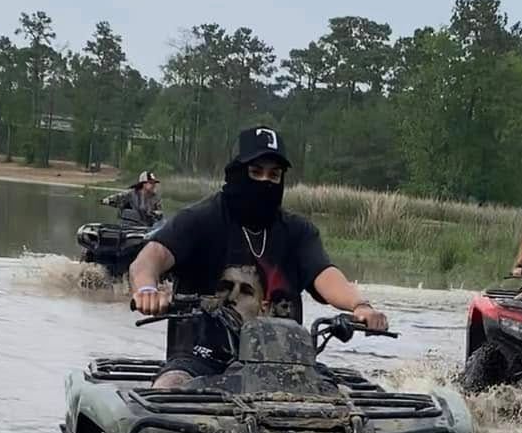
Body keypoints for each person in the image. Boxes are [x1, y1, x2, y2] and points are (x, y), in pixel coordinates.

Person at [128, 125, 388, 388]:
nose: (265, 182)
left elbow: (324, 274)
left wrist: (360, 305)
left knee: (349, 399)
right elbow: (151, 256)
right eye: (255, 172)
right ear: (236, 173)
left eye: (274, 175)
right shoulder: (200, 219)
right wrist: (147, 289)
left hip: (283, 361)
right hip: (201, 359)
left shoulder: (298, 231)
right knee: (169, 387)